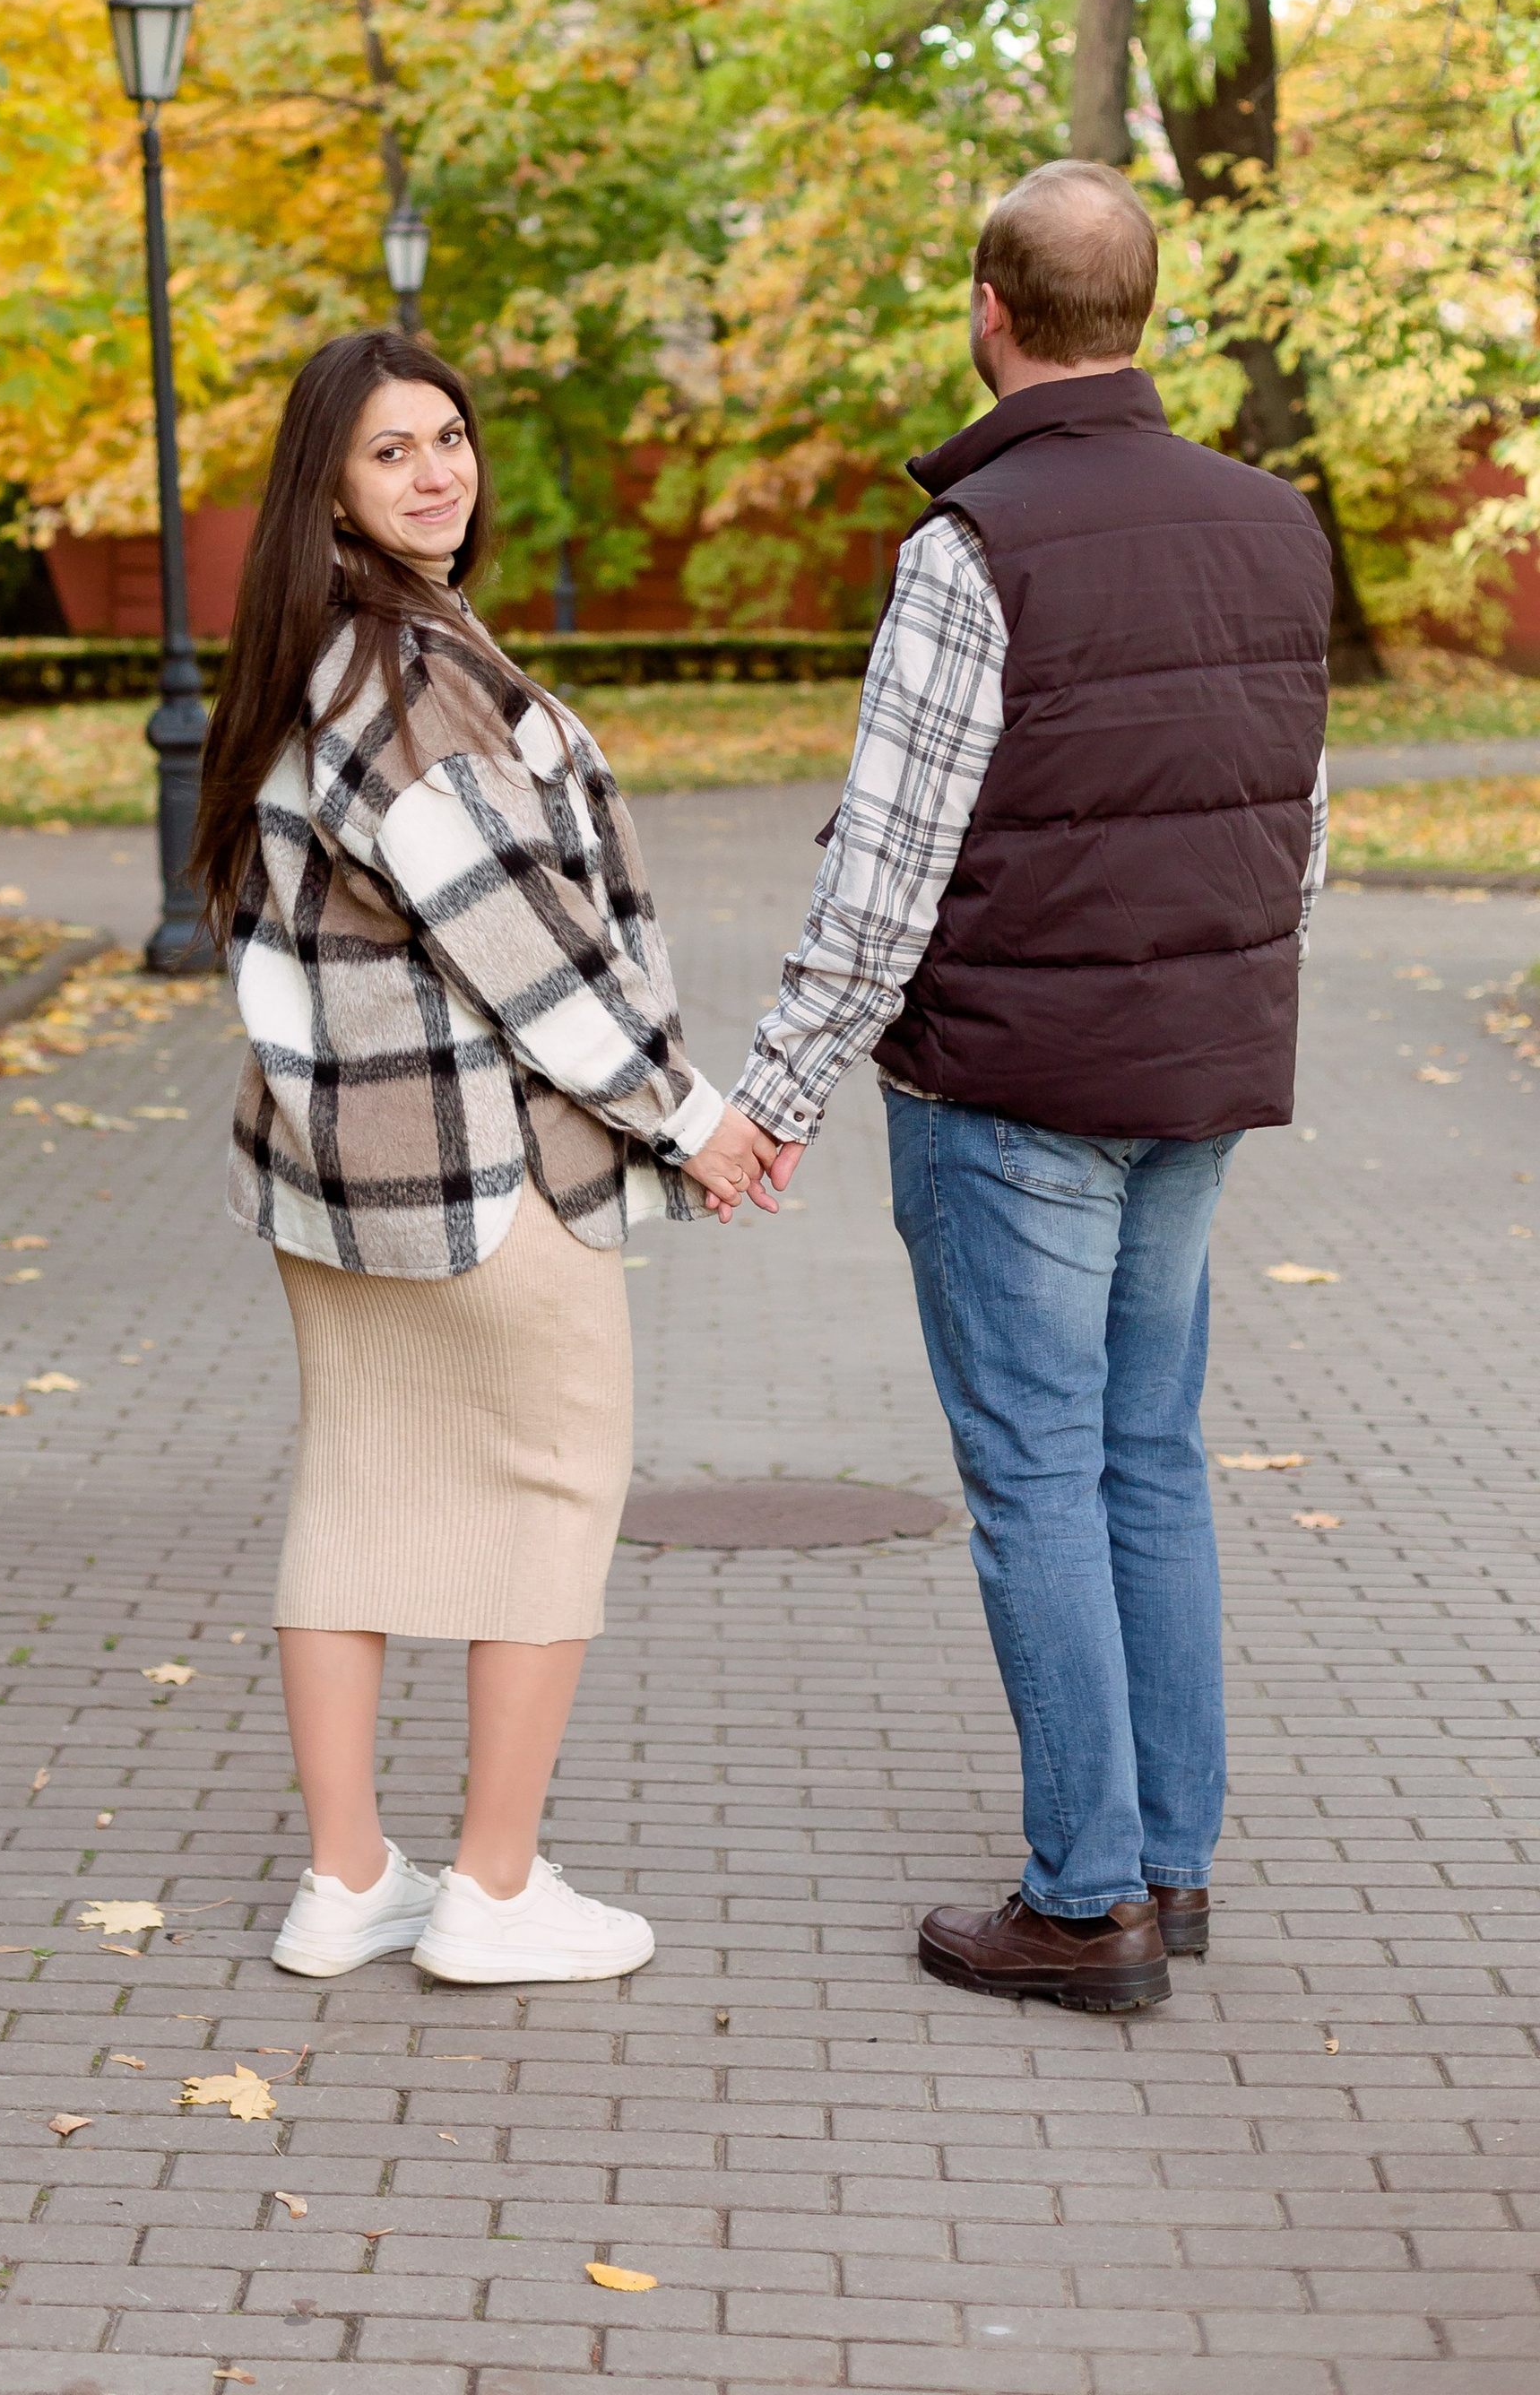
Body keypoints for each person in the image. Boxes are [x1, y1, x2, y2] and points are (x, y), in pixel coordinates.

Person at [727, 161, 1333, 2016]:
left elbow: (884, 872)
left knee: (1035, 1480)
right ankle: (1167, 1859)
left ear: (988, 313)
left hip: (1010, 1093)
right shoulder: (1274, 526)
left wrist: (774, 1088)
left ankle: (1081, 1906)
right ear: (1138, 313)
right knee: (1145, 1461)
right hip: (1193, 1087)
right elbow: (1296, 841)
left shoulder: (967, 547)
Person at [192, 327, 769, 1986]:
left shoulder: (322, 658)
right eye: (394, 450)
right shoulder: (405, 679)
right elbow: (519, 944)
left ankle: (347, 1879)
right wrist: (693, 1114)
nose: (439, 470)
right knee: (554, 1488)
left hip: (335, 1177)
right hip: (479, 1173)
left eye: (450, 437)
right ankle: (494, 1893)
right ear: (332, 486)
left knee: (356, 1492)